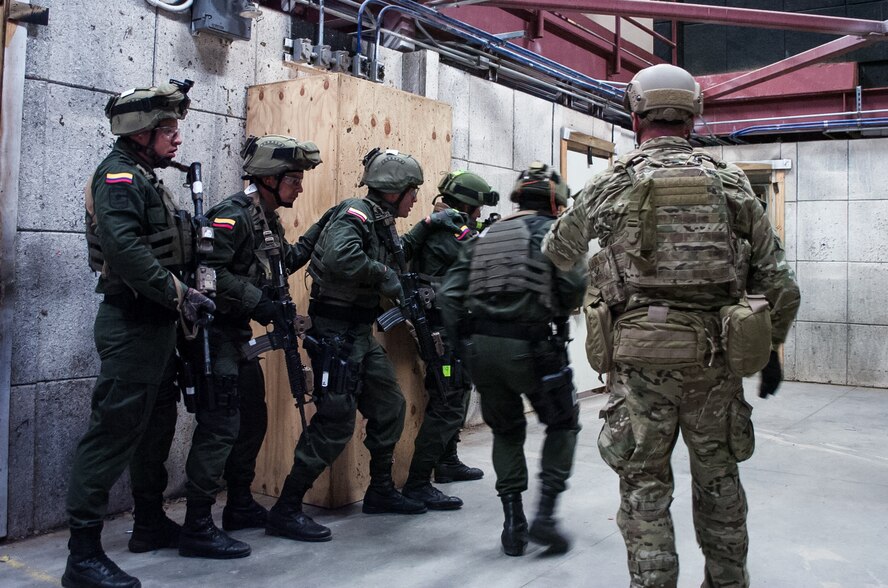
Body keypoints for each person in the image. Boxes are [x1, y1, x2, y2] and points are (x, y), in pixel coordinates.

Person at [541, 64, 801, 587]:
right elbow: (779, 283)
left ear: (635, 114)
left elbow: (557, 250)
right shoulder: (731, 184)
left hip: (639, 365)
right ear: (693, 115)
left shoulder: (612, 180)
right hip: (716, 363)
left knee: (644, 487)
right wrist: (770, 348)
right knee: (720, 483)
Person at [65, 80, 216, 588]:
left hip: (157, 325)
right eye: (167, 128)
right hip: (132, 323)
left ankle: (148, 523)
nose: (176, 138)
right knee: (112, 433)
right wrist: (181, 296)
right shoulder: (119, 178)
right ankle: (81, 556)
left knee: (154, 429)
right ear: (141, 132)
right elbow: (128, 254)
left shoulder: (147, 177)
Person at [265, 147, 448, 542]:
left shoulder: (382, 223)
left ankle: (380, 490)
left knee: (390, 406)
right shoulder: (358, 214)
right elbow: (342, 257)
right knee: (335, 421)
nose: (416, 199)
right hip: (335, 334)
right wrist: (384, 274)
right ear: (394, 190)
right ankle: (287, 508)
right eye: (412, 191)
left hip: (359, 333)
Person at [174, 135, 324, 560]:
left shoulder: (267, 219)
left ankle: (239, 505)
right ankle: (198, 524)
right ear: (270, 180)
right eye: (293, 179)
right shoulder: (231, 216)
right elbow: (207, 272)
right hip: (213, 336)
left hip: (238, 338)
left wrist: (320, 229)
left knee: (252, 422)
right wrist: (260, 302)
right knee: (220, 427)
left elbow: (281, 263)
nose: (299, 187)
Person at [438, 162, 586, 557]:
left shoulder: (484, 237)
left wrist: (465, 345)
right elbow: (574, 290)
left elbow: (448, 298)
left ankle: (513, 522)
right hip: (534, 349)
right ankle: (546, 516)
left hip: (482, 351)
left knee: (505, 431)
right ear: (556, 202)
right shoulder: (556, 235)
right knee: (563, 422)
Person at [398, 170, 498, 510]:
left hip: (453, 329)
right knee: (447, 401)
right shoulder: (446, 230)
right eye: (478, 209)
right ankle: (417, 483)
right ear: (467, 205)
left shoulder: (448, 227)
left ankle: (448, 461)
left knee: (456, 392)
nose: (480, 216)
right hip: (442, 333)